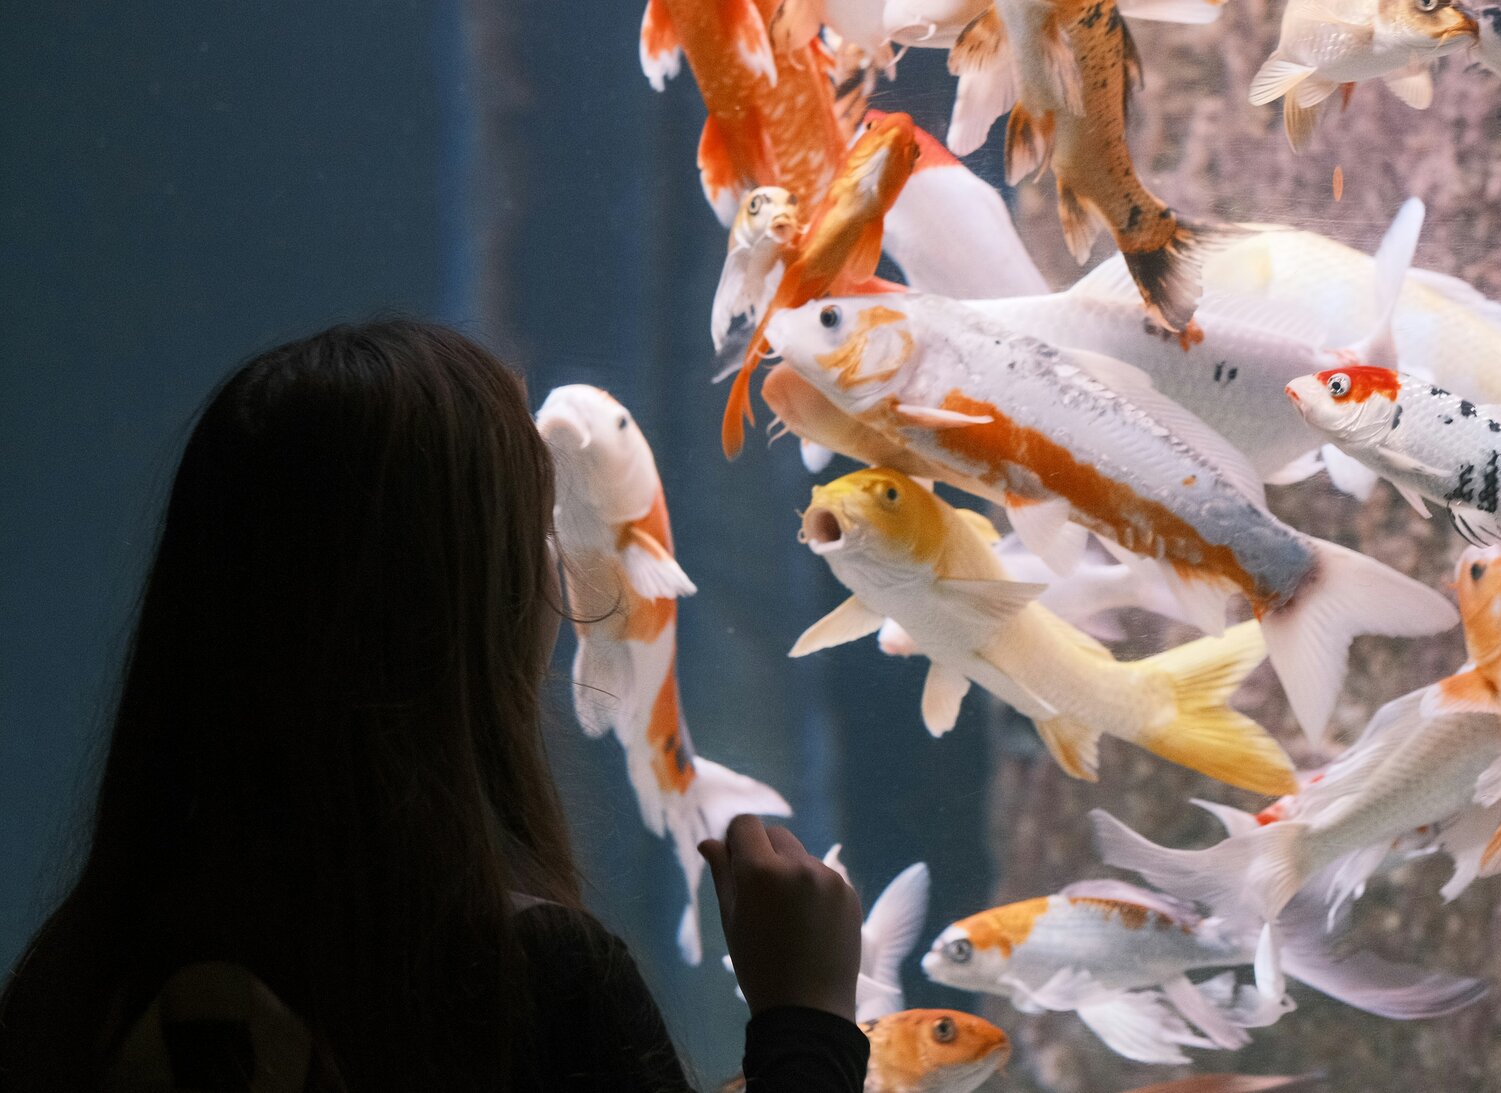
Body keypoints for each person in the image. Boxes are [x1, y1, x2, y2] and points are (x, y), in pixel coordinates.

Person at [0, 321, 868, 1092]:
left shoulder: (71, 983)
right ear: (473, 608)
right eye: (535, 539)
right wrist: (808, 1020)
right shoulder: (534, 983)